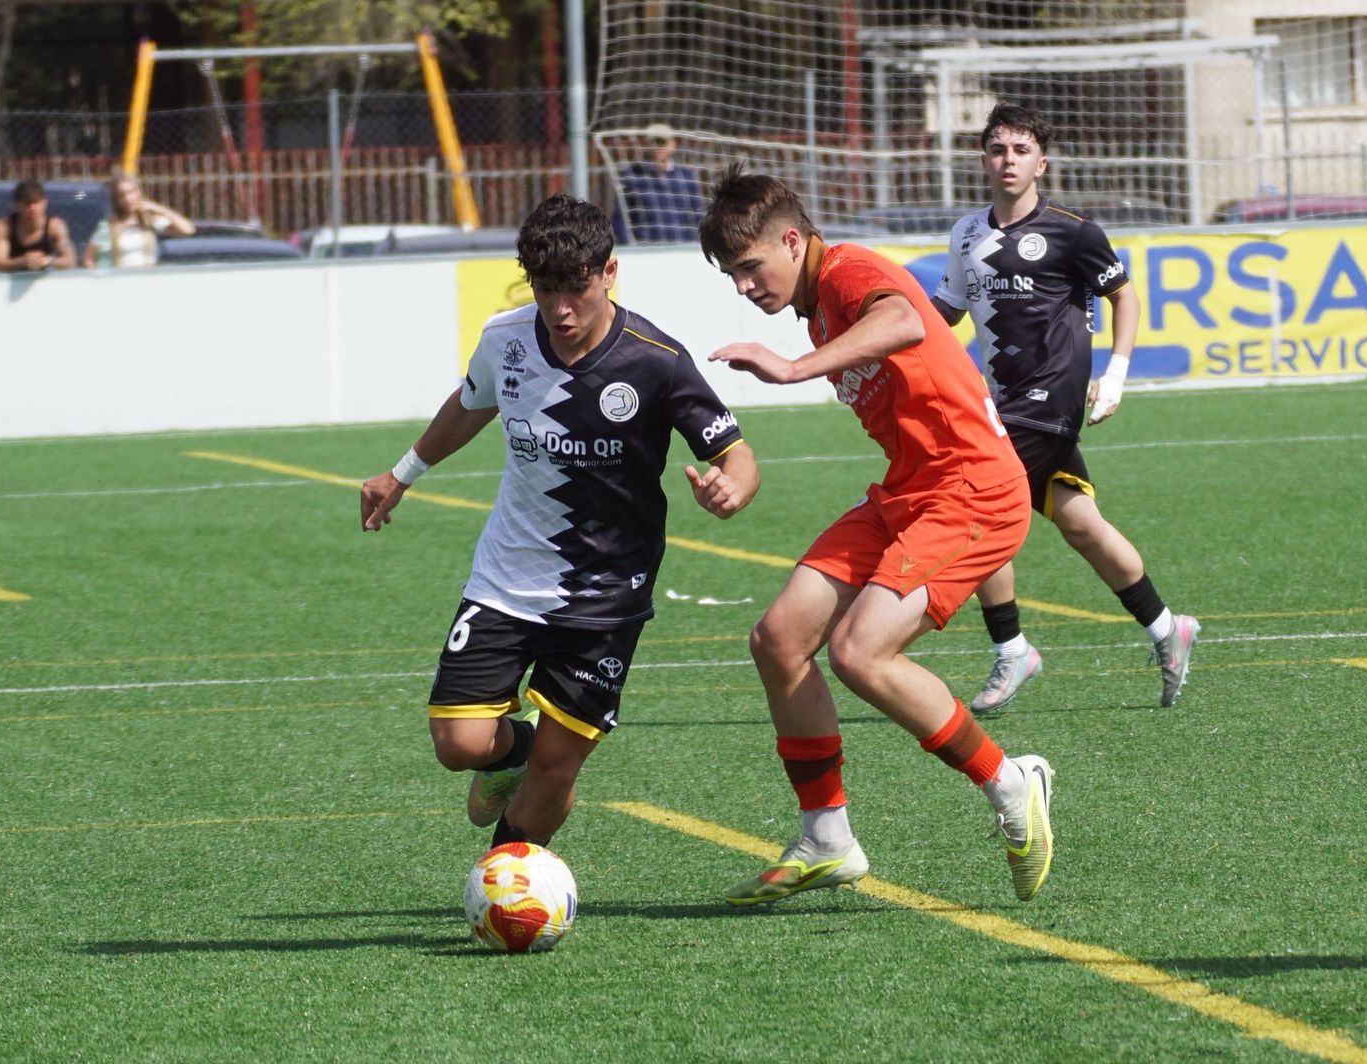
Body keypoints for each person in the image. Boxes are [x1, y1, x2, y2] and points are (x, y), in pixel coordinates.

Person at [359, 194, 759, 852]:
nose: (561, 309)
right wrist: (401, 473)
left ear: (609, 272)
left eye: (576, 288)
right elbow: (470, 405)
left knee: (558, 767)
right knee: (459, 744)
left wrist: (731, 489)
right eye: (547, 290)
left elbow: (735, 454)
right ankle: (509, 758)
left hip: (605, 595)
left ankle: (506, 878)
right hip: (506, 578)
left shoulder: (655, 360)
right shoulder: (505, 340)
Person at [700, 165, 1054, 905]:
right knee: (779, 638)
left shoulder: (850, 272)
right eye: (730, 274)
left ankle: (1009, 780)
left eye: (749, 267)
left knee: (860, 651)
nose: (742, 286)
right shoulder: (815, 302)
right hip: (910, 492)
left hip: (973, 491)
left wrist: (796, 369)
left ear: (792, 240)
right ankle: (828, 837)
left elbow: (906, 320)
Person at [929, 103, 1199, 714]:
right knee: (1081, 524)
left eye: (1020, 151)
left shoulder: (1073, 232)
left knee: (976, 506)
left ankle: (1011, 647)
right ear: (983, 160)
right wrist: (886, 346)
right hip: (996, 403)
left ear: (1040, 164)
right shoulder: (966, 233)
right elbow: (944, 312)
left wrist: (1118, 374)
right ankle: (1167, 630)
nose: (1008, 161)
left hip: (1050, 399)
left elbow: (1123, 298)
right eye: (998, 150)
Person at [611, 123, 706, 244]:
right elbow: (620, 219)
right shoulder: (632, 176)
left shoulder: (686, 177)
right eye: (653, 142)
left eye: (662, 142)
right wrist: (629, 247)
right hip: (646, 250)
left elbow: (697, 216)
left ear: (673, 144)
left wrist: (697, 245)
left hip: (683, 249)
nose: (657, 147)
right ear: (646, 144)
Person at [82, 171, 195, 269]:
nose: (127, 199)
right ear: (116, 200)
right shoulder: (110, 226)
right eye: (122, 195)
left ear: (138, 192)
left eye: (130, 192)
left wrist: (160, 209)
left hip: (147, 278)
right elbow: (89, 259)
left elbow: (187, 230)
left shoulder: (149, 221)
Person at [0, 179, 76, 272]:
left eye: (36, 202)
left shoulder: (55, 226)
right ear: (17, 204)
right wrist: (22, 261)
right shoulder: (4, 227)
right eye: (27, 203)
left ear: (45, 202)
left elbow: (70, 261)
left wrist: (47, 261)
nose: (32, 208)